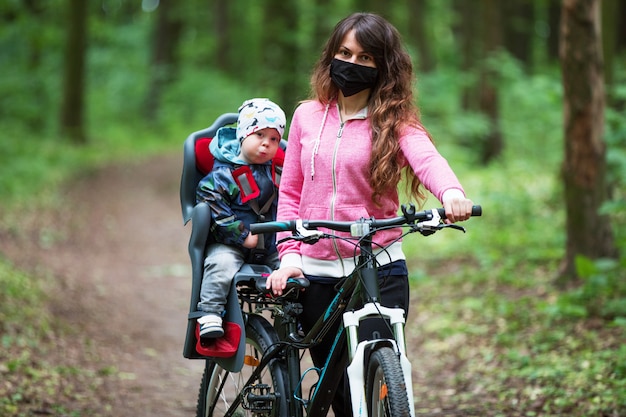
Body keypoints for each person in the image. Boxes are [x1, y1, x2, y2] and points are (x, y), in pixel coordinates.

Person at [265, 12, 474, 416]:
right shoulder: (308, 116)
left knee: (377, 377)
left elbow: (427, 159)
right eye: (345, 53)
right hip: (316, 271)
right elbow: (290, 192)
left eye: (365, 58)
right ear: (331, 56)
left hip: (378, 266)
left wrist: (451, 192)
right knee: (341, 394)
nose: (352, 64)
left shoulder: (395, 122)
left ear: (383, 65)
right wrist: (289, 255)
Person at [196, 98, 286, 339]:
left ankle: (291, 317)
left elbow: (291, 202)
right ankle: (211, 314)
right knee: (219, 265)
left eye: (274, 139)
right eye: (260, 136)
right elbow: (212, 204)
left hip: (271, 243)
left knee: (294, 268)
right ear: (243, 135)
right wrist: (241, 235)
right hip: (232, 243)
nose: (266, 144)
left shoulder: (278, 173)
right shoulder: (225, 173)